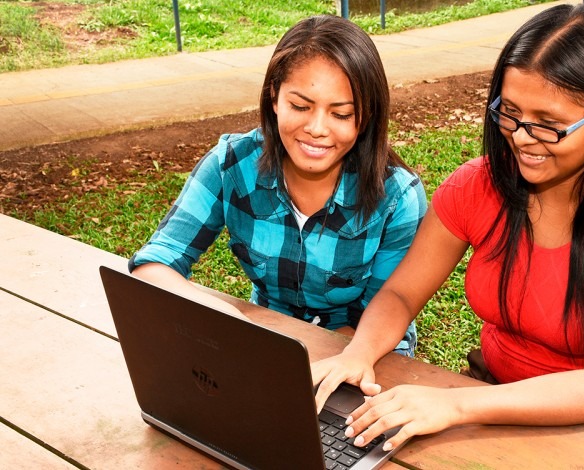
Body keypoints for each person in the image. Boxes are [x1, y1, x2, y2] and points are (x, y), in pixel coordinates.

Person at [311, 4, 584, 468]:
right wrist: (359, 352)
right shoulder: (478, 185)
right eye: (508, 113)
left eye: (549, 125)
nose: (521, 137)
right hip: (489, 394)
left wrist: (454, 405)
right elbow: (402, 292)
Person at [129, 15, 427, 356]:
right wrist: (226, 320)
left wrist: (296, 356)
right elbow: (155, 263)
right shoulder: (232, 165)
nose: (317, 128)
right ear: (274, 97)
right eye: (300, 106)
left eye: (341, 114)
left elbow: (383, 313)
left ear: (368, 115)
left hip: (366, 353)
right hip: (264, 341)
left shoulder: (398, 198)